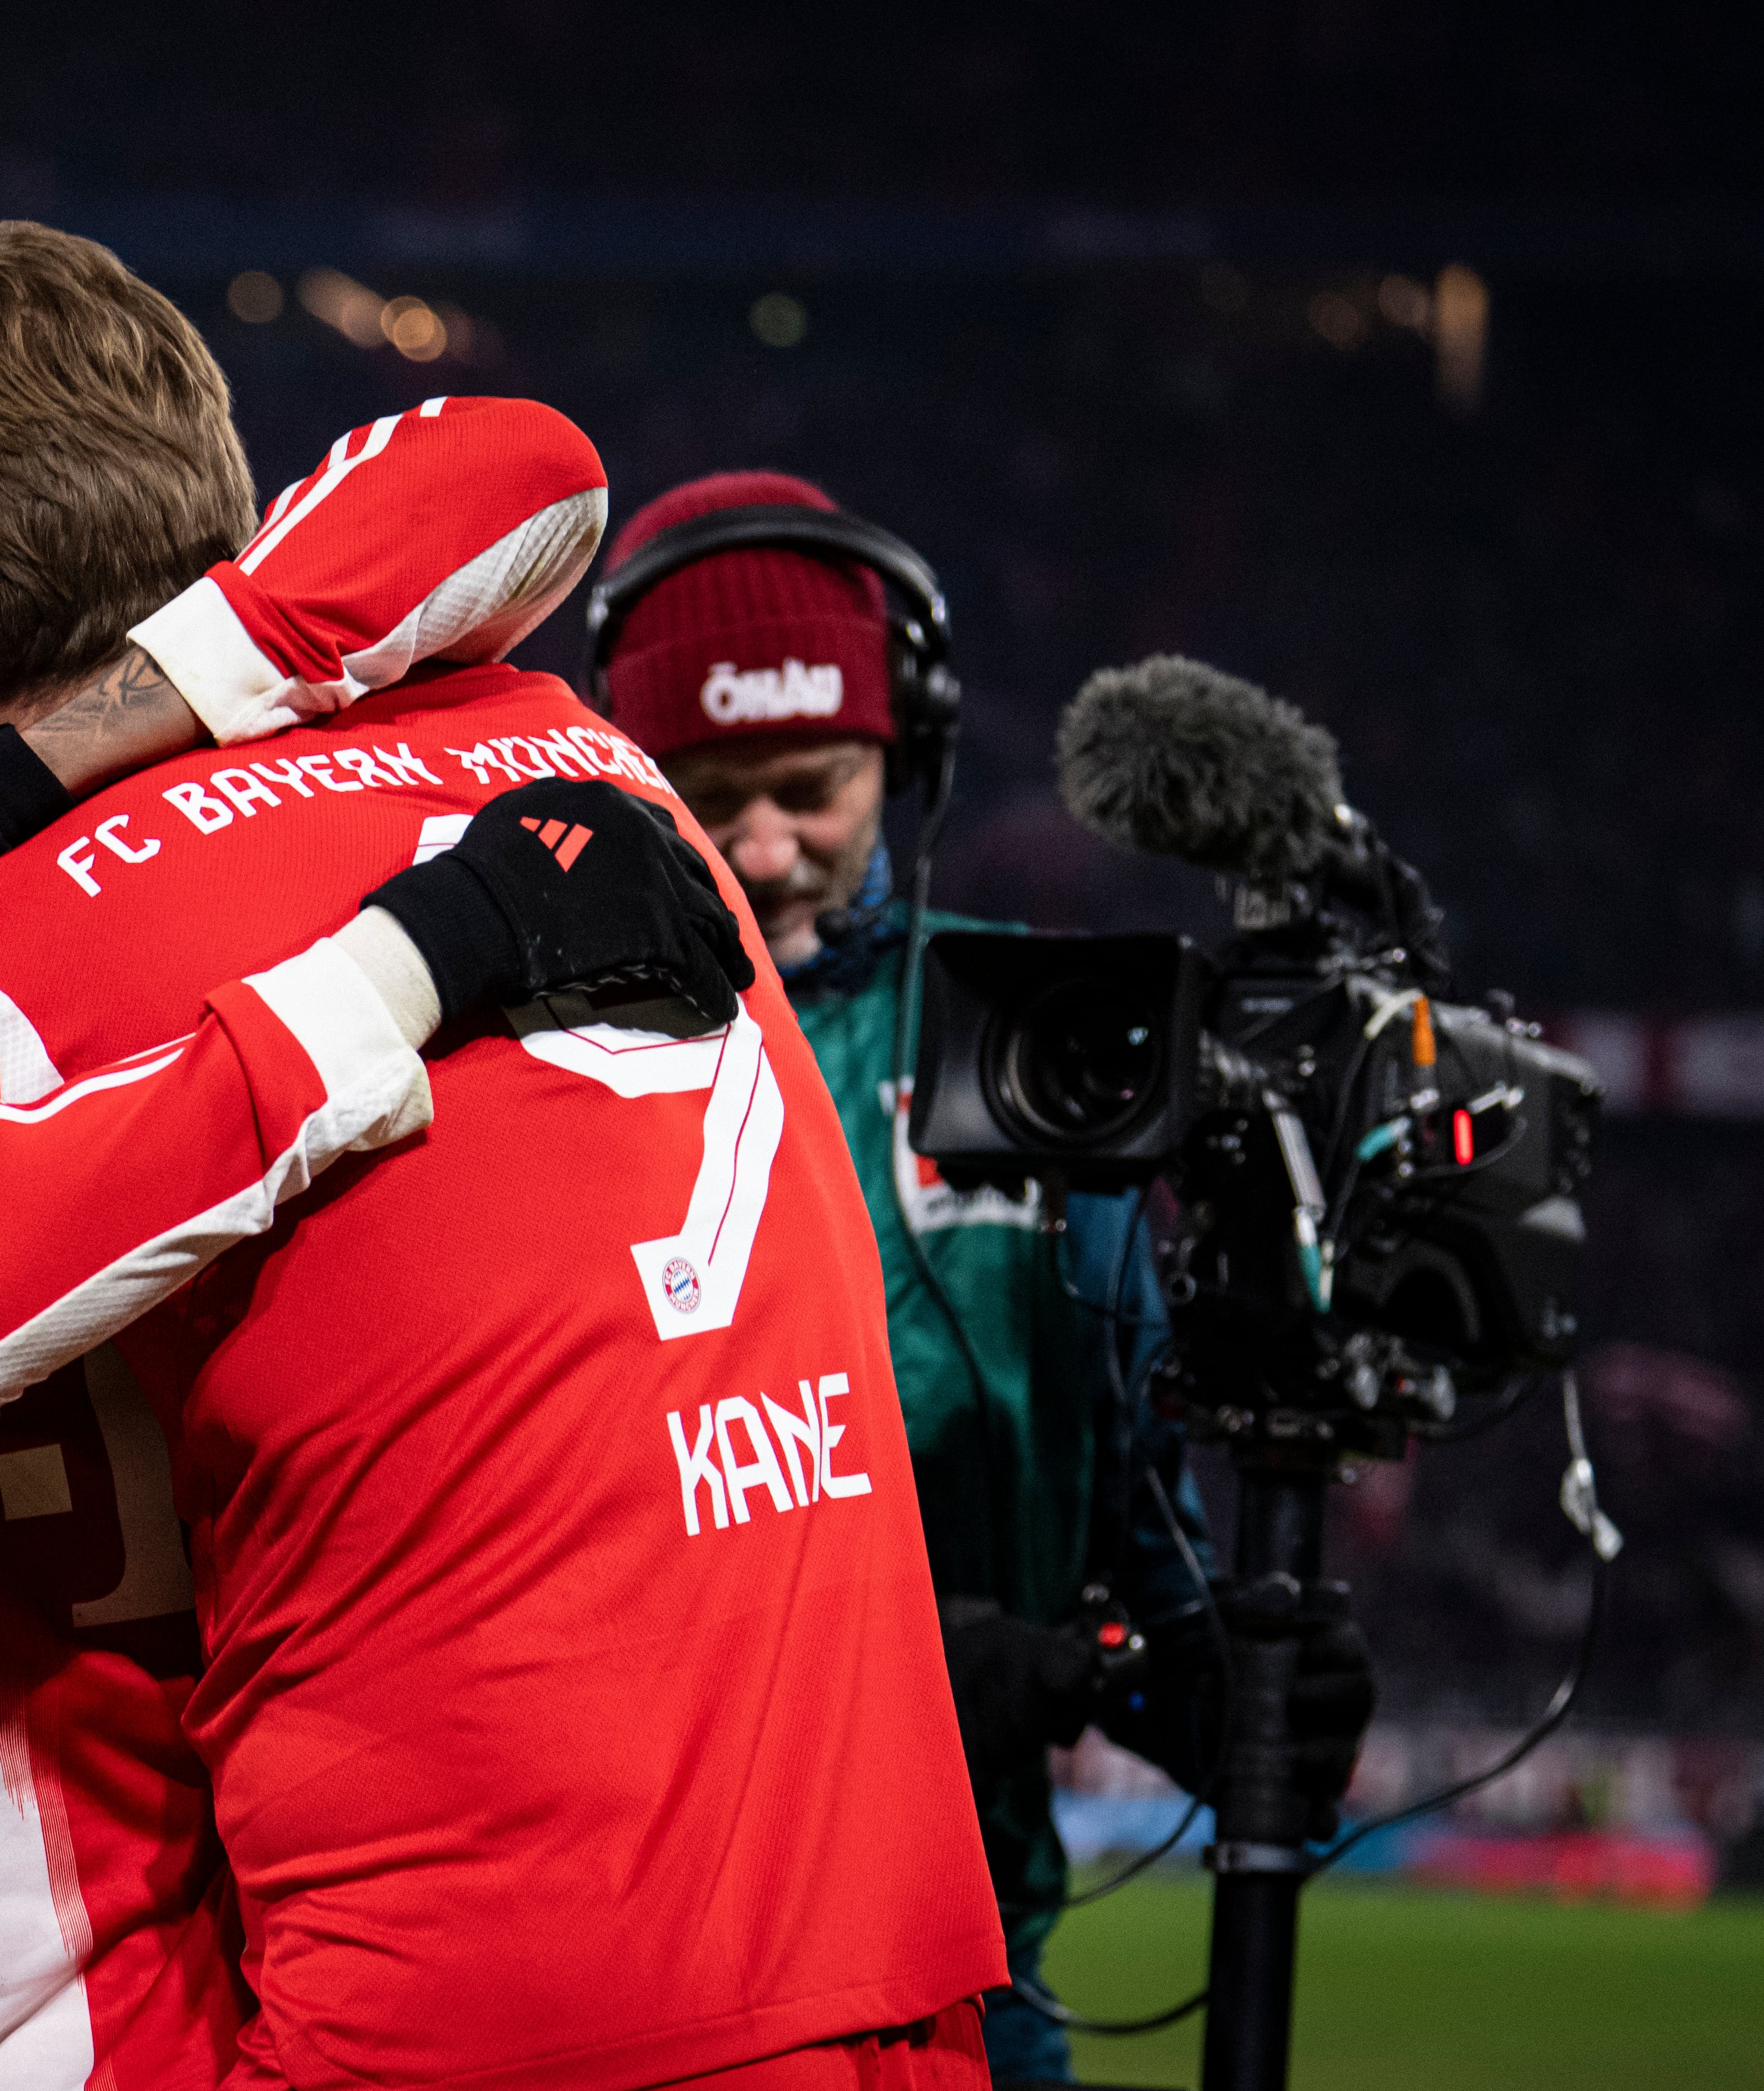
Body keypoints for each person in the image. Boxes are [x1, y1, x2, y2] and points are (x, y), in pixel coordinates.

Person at [0, 222, 1004, 2090]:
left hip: (398, 2006)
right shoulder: (569, 750)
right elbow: (520, 461)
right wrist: (408, 956)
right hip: (879, 1951)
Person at [588, 469, 1378, 2085]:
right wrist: (904, 1657)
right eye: (704, 791)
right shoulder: (546, 1060)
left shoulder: (1034, 1056)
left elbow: (1127, 1485)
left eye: (811, 786)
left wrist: (1222, 1691)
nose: (764, 847)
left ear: (909, 754)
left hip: (973, 1955)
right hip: (642, 1958)